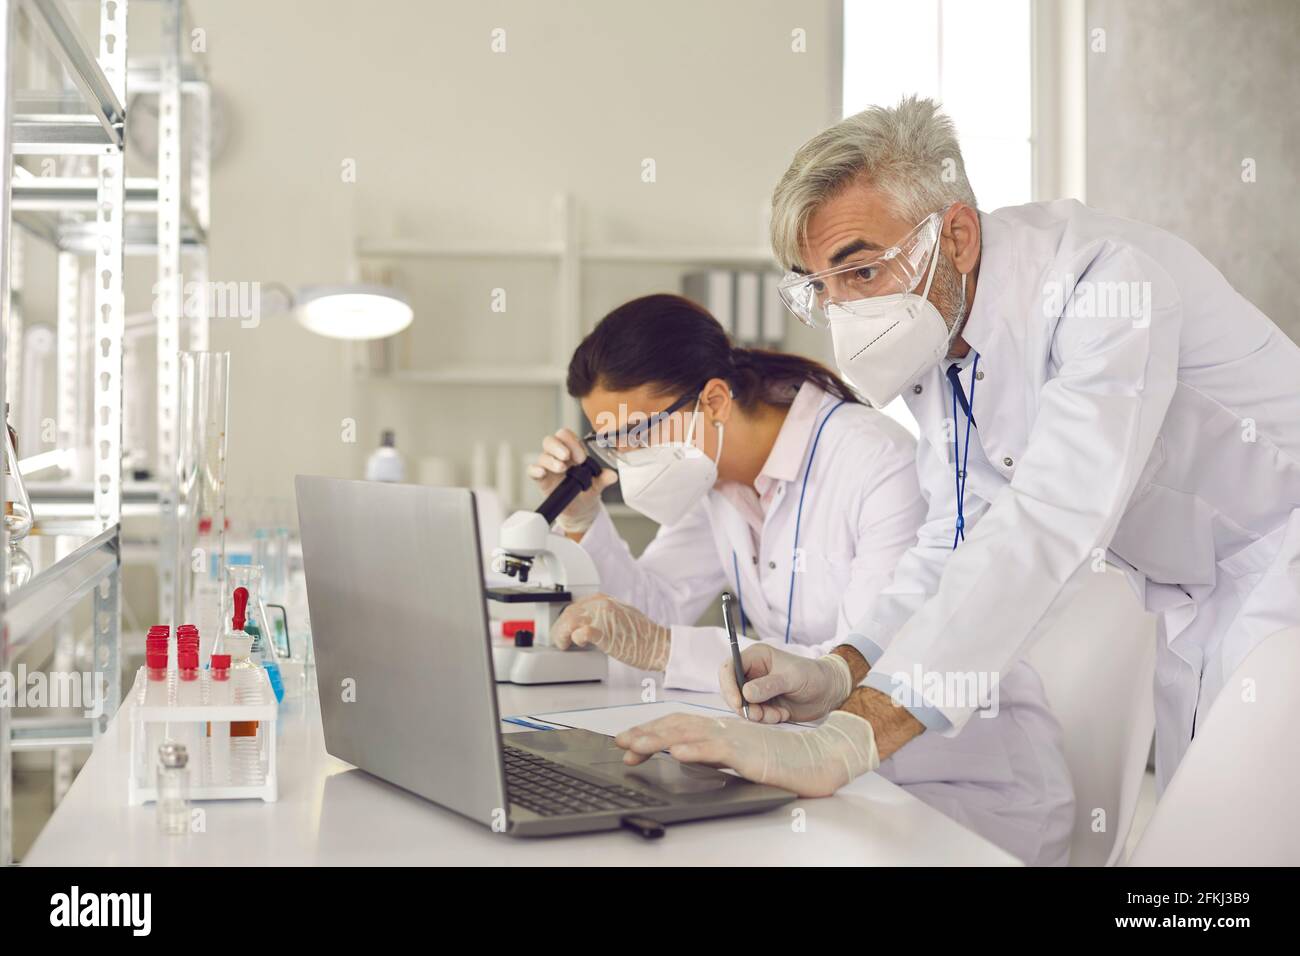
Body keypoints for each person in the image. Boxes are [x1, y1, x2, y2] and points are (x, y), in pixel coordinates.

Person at [615, 96, 1300, 804]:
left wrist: (852, 738)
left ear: (959, 237)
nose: (846, 317)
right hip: (1199, 595)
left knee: (1241, 829)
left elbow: (1053, 517)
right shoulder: (945, 347)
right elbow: (952, 540)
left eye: (862, 273)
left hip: (1282, 562)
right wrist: (844, 672)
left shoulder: (1103, 284)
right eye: (823, 291)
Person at [531, 293, 1073, 865]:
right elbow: (653, 610)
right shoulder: (708, 476)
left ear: (713, 399)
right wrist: (583, 519)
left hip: (959, 791)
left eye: (636, 434)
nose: (626, 459)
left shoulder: (872, 460)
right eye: (610, 441)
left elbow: (861, 666)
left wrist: (665, 647)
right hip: (830, 775)